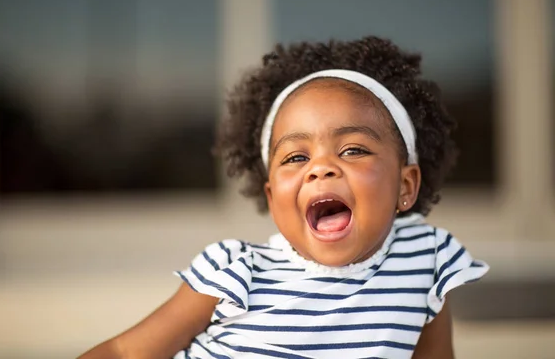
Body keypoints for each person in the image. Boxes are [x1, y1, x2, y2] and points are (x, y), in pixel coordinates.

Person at [78, 37, 489, 358]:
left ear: (405, 186)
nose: (321, 167)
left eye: (352, 149)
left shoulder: (424, 262)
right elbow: (125, 351)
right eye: (296, 156)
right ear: (273, 197)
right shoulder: (237, 270)